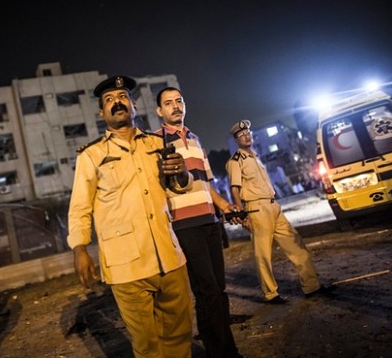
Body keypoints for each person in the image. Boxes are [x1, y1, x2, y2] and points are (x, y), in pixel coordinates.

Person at [67, 76, 194, 358]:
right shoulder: (91, 155)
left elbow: (178, 188)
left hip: (169, 257)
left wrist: (182, 173)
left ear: (133, 105)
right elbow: (79, 208)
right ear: (101, 113)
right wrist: (80, 249)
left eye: (122, 97)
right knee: (147, 345)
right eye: (109, 100)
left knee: (179, 335)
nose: (117, 103)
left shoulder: (156, 143)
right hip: (127, 266)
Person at [154, 87, 243, 358]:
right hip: (184, 225)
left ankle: (223, 345)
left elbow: (206, 184)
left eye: (179, 101)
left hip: (209, 221)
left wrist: (226, 206)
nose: (175, 106)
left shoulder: (195, 139)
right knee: (207, 290)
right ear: (159, 111)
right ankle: (221, 351)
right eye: (168, 103)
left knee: (218, 288)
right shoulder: (156, 143)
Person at [225, 120, 336, 304]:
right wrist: (243, 214)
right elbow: (235, 188)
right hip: (256, 209)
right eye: (241, 135)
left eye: (248, 133)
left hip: (273, 206)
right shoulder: (235, 162)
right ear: (236, 139)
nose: (246, 136)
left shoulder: (256, 155)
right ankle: (271, 294)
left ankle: (312, 286)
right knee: (263, 255)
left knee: (296, 244)